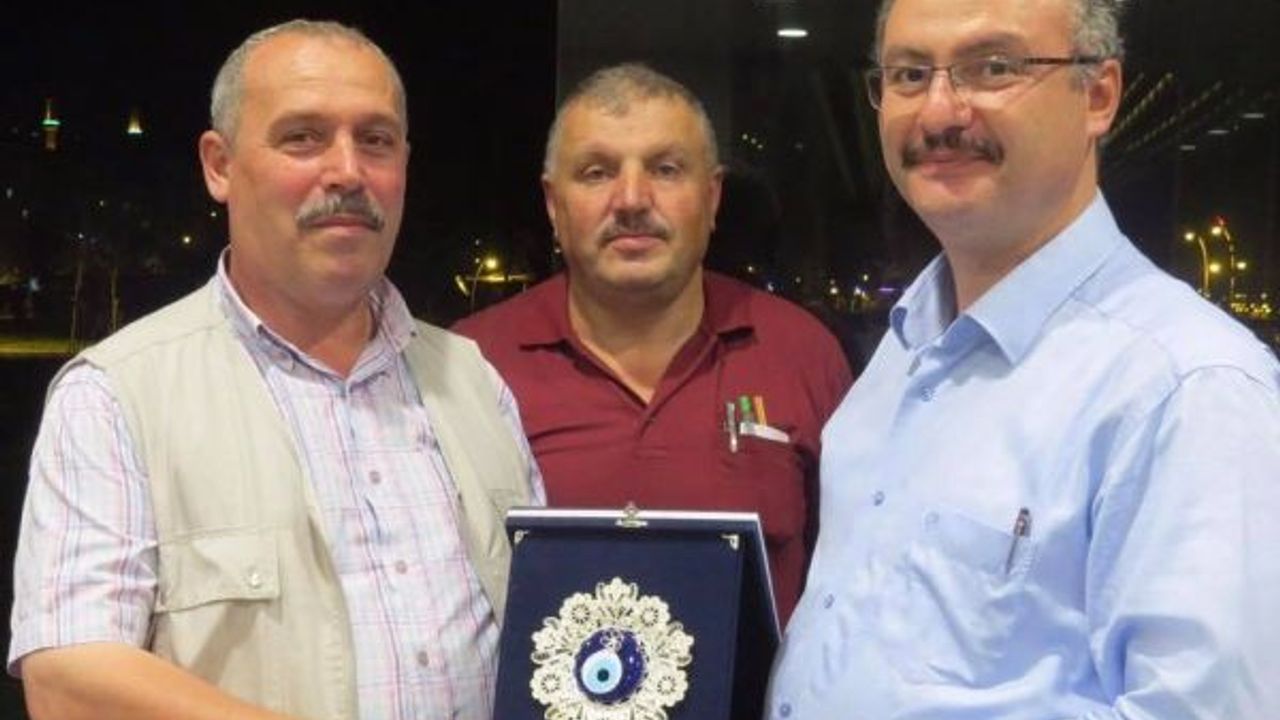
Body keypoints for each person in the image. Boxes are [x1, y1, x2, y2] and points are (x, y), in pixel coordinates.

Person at [8, 20, 542, 720]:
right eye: (303, 138)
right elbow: (68, 683)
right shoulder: (115, 397)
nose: (348, 171)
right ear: (219, 165)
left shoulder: (473, 381)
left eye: (376, 140)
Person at [767, 0, 1280, 717]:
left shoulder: (1187, 387)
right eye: (909, 74)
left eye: (993, 68)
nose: (938, 113)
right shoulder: (905, 347)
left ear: (1098, 95)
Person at [454, 64, 852, 626]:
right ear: (553, 203)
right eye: (596, 172)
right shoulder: (470, 366)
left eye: (666, 170)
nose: (632, 199)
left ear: (712, 197)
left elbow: (857, 581)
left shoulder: (801, 353)